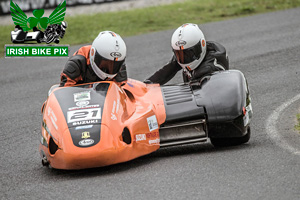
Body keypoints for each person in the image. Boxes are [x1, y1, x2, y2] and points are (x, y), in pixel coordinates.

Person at [144, 23, 229, 85]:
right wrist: (145, 86)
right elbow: (167, 70)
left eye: (188, 53)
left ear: (202, 45)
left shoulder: (208, 69)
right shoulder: (196, 51)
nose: (184, 58)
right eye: (179, 54)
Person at [60, 31, 127, 87]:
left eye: (115, 65)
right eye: (105, 64)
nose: (110, 68)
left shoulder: (120, 67)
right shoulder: (77, 63)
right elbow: (64, 92)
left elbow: (122, 91)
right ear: (93, 54)